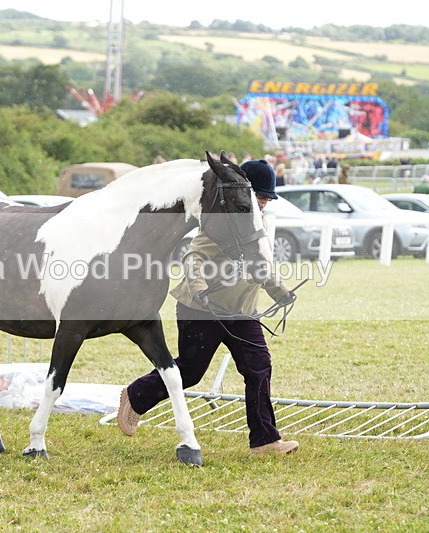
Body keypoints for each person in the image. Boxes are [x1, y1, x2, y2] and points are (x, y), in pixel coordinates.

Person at [117, 160, 300, 457]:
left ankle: (265, 441)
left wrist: (279, 291)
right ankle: (135, 395)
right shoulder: (222, 223)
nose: (264, 203)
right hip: (201, 310)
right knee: (191, 372)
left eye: (268, 198)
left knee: (259, 368)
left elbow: (260, 264)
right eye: (260, 196)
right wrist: (199, 289)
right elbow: (193, 259)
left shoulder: (258, 225)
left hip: (242, 311)